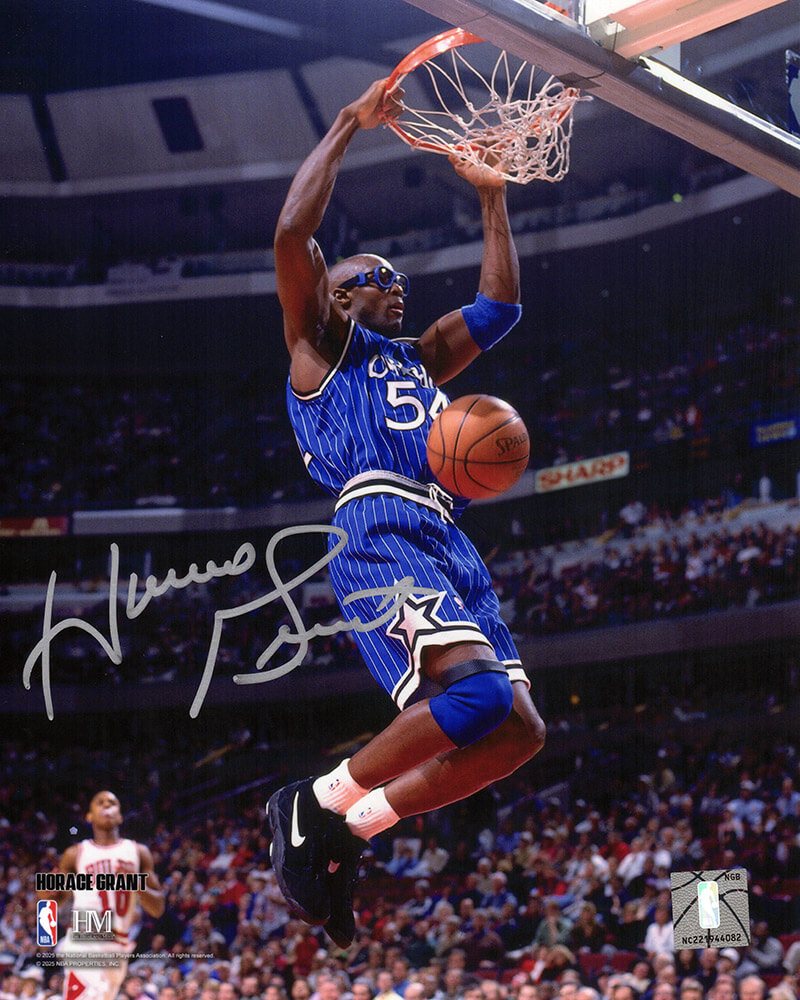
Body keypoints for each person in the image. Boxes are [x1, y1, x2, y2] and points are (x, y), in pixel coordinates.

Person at [266, 78, 545, 949]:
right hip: (378, 524)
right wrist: (350, 123)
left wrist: (492, 197)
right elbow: (291, 234)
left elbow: (499, 309)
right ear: (335, 294)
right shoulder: (320, 348)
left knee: (518, 733)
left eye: (399, 278)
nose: (396, 285)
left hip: (446, 534)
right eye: (374, 277)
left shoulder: (416, 359)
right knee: (476, 695)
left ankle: (350, 831)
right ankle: (311, 803)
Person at [39, 790, 164, 1000]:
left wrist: (137, 883)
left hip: (118, 943)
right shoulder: (75, 853)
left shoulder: (138, 852)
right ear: (89, 816)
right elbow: (52, 900)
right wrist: (44, 890)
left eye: (112, 803)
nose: (106, 805)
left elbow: (157, 908)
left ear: (120, 816)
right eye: (100, 802)